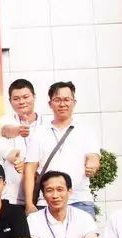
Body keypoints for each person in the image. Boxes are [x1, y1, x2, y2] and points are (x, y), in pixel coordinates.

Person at [23, 81, 101, 217]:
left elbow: (93, 156)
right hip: (46, 201)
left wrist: (93, 164)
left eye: (67, 99)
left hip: (80, 201)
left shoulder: (86, 131)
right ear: (50, 104)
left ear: (74, 102)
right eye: (57, 100)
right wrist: (29, 203)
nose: (62, 104)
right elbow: (30, 169)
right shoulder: (39, 133)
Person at [0, 79, 47, 206]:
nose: (21, 102)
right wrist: (18, 130)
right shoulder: (4, 121)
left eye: (26, 97)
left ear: (34, 97)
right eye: (16, 98)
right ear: (10, 101)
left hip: (44, 195)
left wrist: (30, 168)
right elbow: (6, 130)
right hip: (13, 197)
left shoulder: (48, 125)